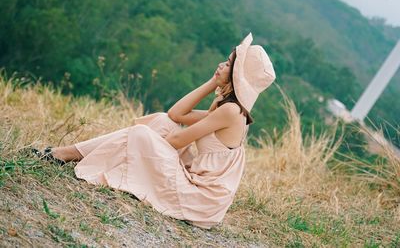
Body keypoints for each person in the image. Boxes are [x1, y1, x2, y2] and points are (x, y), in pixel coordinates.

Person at [37, 32, 276, 229]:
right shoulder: (227, 107)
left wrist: (146, 139)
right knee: (162, 121)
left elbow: (176, 140)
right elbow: (176, 115)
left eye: (227, 64)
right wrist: (214, 81)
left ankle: (66, 154)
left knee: (142, 135)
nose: (220, 65)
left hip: (199, 199)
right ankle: (70, 153)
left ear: (236, 75)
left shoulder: (232, 112)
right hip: (195, 181)